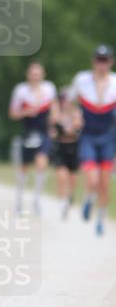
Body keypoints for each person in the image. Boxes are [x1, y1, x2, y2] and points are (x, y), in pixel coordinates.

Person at [68, 45, 116, 237]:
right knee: (93, 179)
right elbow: (69, 101)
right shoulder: (82, 80)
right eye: (99, 59)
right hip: (88, 135)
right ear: (93, 61)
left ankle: (101, 219)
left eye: (105, 60)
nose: (101, 64)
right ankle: (89, 197)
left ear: (110, 62)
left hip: (108, 137)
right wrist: (75, 115)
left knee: (105, 182)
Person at [8, 62, 56, 215]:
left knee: (42, 163)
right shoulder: (21, 90)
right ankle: (19, 200)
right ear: (28, 75)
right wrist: (25, 112)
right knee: (24, 168)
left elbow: (54, 109)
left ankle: (36, 199)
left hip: (44, 133)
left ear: (43, 75)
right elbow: (12, 114)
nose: (35, 76)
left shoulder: (49, 88)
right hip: (28, 132)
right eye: (32, 73)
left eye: (38, 73)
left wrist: (55, 122)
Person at [49, 88, 83, 219]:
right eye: (62, 99)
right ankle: (63, 203)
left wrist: (68, 127)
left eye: (67, 99)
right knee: (61, 176)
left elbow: (77, 126)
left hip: (74, 147)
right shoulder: (57, 112)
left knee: (73, 178)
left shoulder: (77, 112)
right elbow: (54, 121)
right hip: (60, 147)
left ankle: (70, 196)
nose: (65, 102)